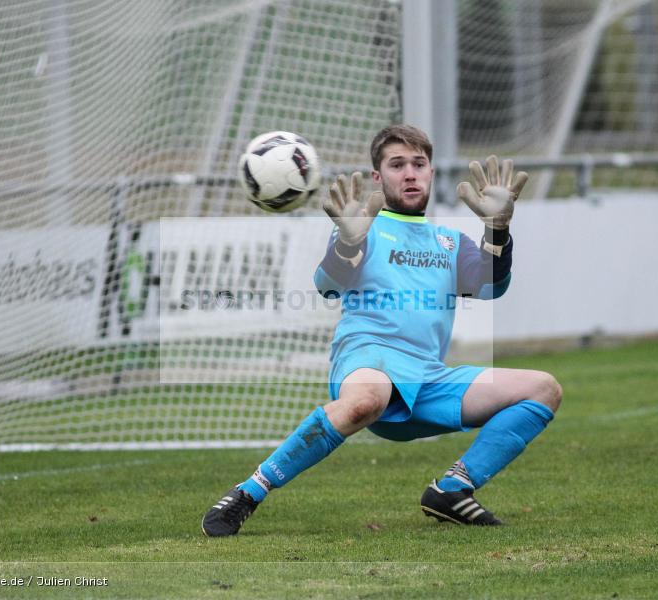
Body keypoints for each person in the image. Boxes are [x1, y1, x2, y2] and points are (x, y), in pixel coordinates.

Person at [202, 124, 562, 536]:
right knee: (367, 399)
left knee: (543, 388)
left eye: (418, 164)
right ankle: (249, 492)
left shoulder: (449, 241)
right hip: (367, 359)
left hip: (427, 379)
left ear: (430, 172)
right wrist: (347, 243)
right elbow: (327, 285)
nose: (409, 173)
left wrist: (497, 231)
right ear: (378, 176)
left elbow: (490, 286)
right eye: (397, 165)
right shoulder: (363, 227)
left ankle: (452, 489)